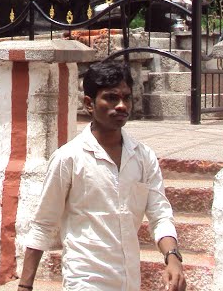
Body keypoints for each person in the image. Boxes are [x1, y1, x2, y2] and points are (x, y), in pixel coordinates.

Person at [19, 61, 186, 291]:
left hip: (129, 280)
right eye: (111, 98)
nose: (121, 105)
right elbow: (44, 223)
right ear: (89, 103)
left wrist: (173, 257)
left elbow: (160, 214)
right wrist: (25, 285)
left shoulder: (143, 157)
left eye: (126, 98)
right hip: (85, 279)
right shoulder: (69, 158)